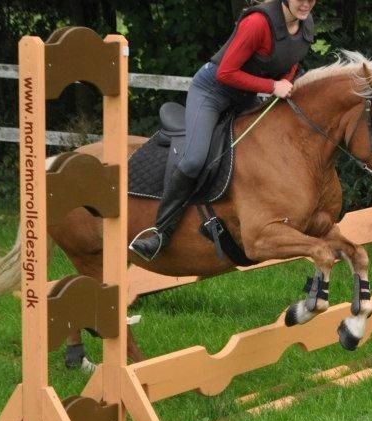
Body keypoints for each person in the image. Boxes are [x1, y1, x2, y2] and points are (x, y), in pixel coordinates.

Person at [129, 0, 316, 261]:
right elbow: (226, 73)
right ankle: (160, 233)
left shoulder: (306, 24)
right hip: (212, 92)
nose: (307, 4)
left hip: (247, 94)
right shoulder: (257, 23)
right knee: (194, 160)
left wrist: (285, 80)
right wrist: (273, 86)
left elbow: (291, 61)